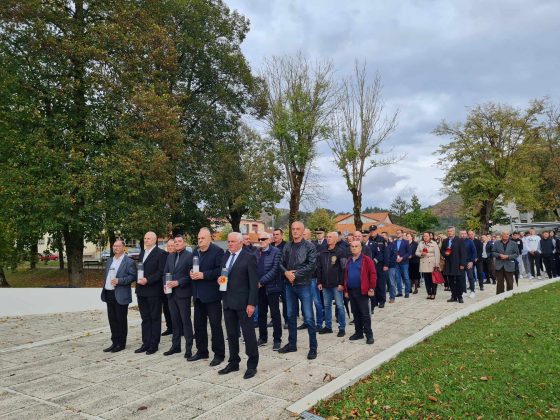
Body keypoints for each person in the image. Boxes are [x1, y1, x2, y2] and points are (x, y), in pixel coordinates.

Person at [219, 232, 259, 379]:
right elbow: (224, 274)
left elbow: (253, 283)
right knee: (231, 334)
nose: (229, 244)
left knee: (248, 335)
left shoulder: (249, 257)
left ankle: (252, 365)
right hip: (228, 301)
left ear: (241, 242)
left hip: (243, 303)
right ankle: (233, 362)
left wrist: (251, 304)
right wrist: (220, 280)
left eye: (233, 241)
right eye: (228, 241)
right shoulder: (226, 256)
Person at [278, 221, 318, 360]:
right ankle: (292, 344)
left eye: (298, 229)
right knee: (290, 315)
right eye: (293, 229)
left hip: (304, 285)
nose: (295, 231)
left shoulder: (309, 246)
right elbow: (280, 263)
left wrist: (295, 274)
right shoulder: (287, 246)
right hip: (289, 286)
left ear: (302, 231)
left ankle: (313, 348)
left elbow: (312, 265)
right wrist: (286, 273)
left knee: (308, 317)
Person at [189, 228, 225, 366]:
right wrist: (191, 272)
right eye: (198, 238)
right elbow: (191, 266)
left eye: (203, 238)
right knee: (198, 325)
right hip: (198, 295)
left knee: (215, 326)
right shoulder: (195, 251)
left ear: (210, 238)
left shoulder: (217, 251)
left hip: (212, 296)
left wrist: (203, 275)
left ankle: (219, 354)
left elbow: (220, 271)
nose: (200, 240)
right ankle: (202, 351)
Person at [100, 239, 137, 352]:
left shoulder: (129, 262)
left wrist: (119, 280)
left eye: (118, 246)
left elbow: (133, 277)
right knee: (112, 320)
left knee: (121, 320)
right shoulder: (109, 260)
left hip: (121, 295)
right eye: (114, 246)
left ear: (123, 248)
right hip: (109, 293)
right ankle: (114, 342)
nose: (115, 248)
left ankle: (121, 344)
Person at [135, 232, 167, 355]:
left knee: (155, 318)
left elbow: (160, 272)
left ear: (155, 240)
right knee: (145, 318)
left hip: (153, 291)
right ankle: (145, 343)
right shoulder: (142, 253)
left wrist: (148, 280)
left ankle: (154, 345)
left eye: (148, 238)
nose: (146, 240)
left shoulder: (161, 253)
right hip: (141, 291)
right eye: (145, 238)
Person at [162, 235, 194, 358]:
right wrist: (165, 285)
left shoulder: (190, 256)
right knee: (174, 321)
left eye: (179, 241)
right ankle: (175, 346)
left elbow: (191, 275)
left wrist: (178, 282)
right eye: (175, 242)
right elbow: (165, 273)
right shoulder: (170, 256)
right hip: (171, 294)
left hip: (183, 293)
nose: (177, 243)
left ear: (184, 243)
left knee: (186, 321)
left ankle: (188, 349)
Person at [344, 241, 376, 344]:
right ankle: (358, 333)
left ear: (361, 248)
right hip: (351, 290)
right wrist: (346, 290)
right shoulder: (349, 260)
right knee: (355, 313)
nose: (354, 248)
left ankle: (369, 335)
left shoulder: (366, 260)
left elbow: (373, 274)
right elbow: (346, 276)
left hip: (362, 291)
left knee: (365, 314)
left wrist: (371, 288)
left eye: (356, 246)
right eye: (352, 246)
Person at [255, 232, 283, 351]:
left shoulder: (276, 252)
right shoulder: (256, 252)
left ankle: (277, 339)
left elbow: (275, 269)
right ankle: (263, 338)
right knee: (261, 314)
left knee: (275, 314)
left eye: (263, 239)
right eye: (259, 239)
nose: (261, 241)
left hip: (272, 288)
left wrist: (261, 282)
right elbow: (253, 268)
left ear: (269, 240)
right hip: (259, 289)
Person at [316, 231, 346, 337]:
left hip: (337, 284)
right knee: (327, 306)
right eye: (327, 237)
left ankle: (342, 328)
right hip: (325, 284)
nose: (328, 238)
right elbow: (319, 267)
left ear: (336, 239)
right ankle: (328, 327)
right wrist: (319, 281)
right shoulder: (322, 251)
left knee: (340, 306)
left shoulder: (340, 252)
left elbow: (343, 269)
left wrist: (341, 283)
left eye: (330, 237)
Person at [303, 228, 323, 332]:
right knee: (305, 302)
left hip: (313, 277)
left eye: (304, 234)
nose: (302, 236)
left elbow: (317, 264)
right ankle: (307, 322)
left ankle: (319, 323)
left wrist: (319, 279)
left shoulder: (316, 246)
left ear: (309, 235)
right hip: (302, 278)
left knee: (317, 302)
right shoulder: (299, 246)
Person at [440, 227, 467, 303]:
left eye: (451, 231)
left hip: (458, 264)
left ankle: (460, 296)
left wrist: (462, 264)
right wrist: (444, 253)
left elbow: (463, 253)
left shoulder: (460, 240)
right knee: (451, 281)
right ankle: (453, 296)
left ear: (454, 232)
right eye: (448, 231)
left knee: (459, 281)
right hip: (449, 264)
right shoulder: (445, 241)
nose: (449, 232)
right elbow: (442, 250)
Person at [367, 225, 388, 309]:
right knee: (373, 283)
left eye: (374, 230)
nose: (372, 232)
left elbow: (385, 253)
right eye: (371, 231)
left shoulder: (382, 239)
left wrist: (386, 264)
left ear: (376, 230)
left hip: (380, 264)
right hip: (370, 265)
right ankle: (374, 301)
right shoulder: (368, 240)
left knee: (381, 284)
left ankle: (382, 301)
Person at [386, 229, 412, 299]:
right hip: (396, 263)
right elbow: (391, 252)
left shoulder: (406, 242)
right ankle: (400, 292)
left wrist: (402, 258)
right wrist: (394, 259)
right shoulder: (393, 242)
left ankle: (407, 292)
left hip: (404, 262)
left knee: (406, 277)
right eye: (397, 233)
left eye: (399, 233)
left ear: (402, 234)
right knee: (397, 278)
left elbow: (409, 252)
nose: (398, 234)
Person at [416, 232, 440, 299]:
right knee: (427, 280)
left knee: (433, 280)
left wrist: (437, 264)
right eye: (424, 236)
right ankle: (429, 293)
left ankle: (433, 293)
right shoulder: (421, 243)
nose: (425, 237)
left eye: (427, 236)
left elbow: (437, 254)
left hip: (432, 263)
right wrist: (421, 254)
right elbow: (416, 252)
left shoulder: (434, 243)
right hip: (424, 263)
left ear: (430, 237)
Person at [161, 239, 175, 336]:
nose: (170, 247)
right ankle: (169, 327)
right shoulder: (164, 256)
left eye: (172, 245)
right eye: (168, 246)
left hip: (176, 286)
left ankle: (179, 328)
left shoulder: (178, 256)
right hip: (165, 286)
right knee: (166, 308)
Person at [461, 230, 477, 298]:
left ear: (466, 234)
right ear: (460, 234)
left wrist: (471, 261)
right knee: (462, 278)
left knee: (470, 277)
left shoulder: (470, 241)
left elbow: (474, 252)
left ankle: (472, 291)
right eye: (462, 234)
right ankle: (464, 291)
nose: (463, 235)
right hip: (461, 263)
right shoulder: (458, 241)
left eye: (464, 233)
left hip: (469, 262)